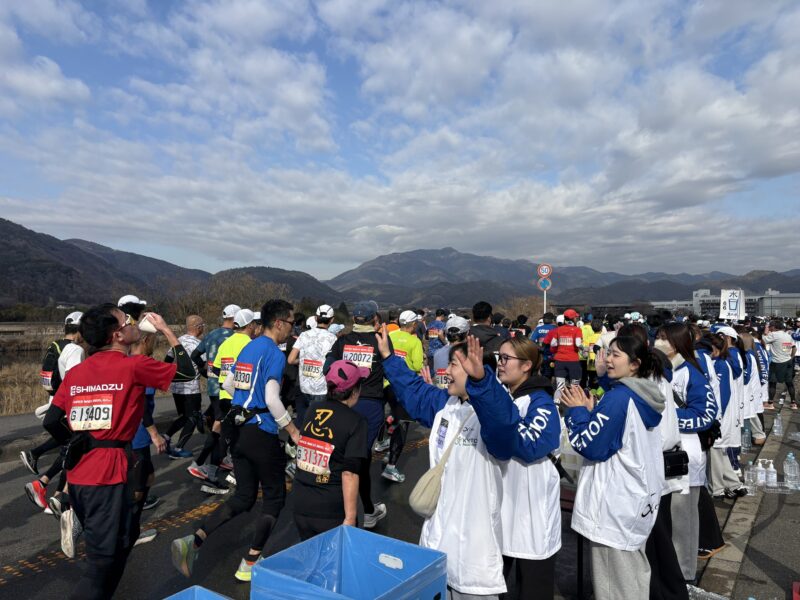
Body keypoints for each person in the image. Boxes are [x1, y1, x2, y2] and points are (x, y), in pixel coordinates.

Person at [42, 304, 195, 600]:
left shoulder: (77, 372)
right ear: (117, 335)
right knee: (101, 564)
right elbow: (187, 372)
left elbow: (51, 420)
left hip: (81, 473)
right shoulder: (133, 366)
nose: (134, 323)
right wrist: (165, 329)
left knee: (125, 538)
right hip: (107, 476)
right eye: (128, 321)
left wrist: (78, 443)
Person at [171, 300, 302, 583]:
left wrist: (243, 404)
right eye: (292, 324)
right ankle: (250, 562)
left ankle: (195, 540)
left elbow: (229, 383)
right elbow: (272, 399)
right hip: (261, 431)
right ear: (279, 323)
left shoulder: (247, 347)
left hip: (238, 431)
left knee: (243, 496)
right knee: (275, 498)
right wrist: (293, 431)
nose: (293, 329)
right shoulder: (274, 353)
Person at [378, 329, 510, 599]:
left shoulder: (495, 413)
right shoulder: (448, 405)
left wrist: (482, 383)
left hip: (473, 561)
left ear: (476, 371)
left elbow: (501, 423)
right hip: (436, 543)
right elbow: (415, 392)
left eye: (453, 365)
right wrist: (389, 358)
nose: (446, 371)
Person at [561, 335, 665, 600]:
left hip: (614, 506)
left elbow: (591, 445)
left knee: (614, 585)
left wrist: (577, 411)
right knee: (631, 578)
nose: (608, 359)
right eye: (609, 353)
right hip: (636, 499)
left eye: (616, 355)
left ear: (634, 364)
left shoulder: (619, 398)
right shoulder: (643, 393)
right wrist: (592, 414)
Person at [467, 336, 562, 600]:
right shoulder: (508, 396)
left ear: (526, 365)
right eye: (500, 357)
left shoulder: (541, 402)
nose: (500, 363)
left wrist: (498, 418)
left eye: (507, 359)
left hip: (532, 509)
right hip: (505, 504)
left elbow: (529, 445)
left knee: (532, 587)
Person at [655, 323, 717, 583]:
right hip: (663, 453)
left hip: (686, 456)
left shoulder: (691, 372)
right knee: (666, 519)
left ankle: (684, 575)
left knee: (683, 521)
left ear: (678, 343)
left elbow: (706, 414)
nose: (658, 342)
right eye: (657, 337)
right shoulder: (660, 369)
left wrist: (669, 417)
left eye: (664, 338)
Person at [327, 300, 392, 529]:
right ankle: (365, 511)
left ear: (354, 319)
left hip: (344, 401)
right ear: (375, 319)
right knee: (359, 461)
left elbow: (327, 368)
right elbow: (392, 368)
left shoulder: (342, 340)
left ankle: (345, 509)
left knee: (339, 454)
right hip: (371, 403)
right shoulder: (381, 340)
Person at [291, 360, 369, 540]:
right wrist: (350, 518)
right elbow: (349, 473)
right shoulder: (356, 422)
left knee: (312, 553)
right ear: (354, 391)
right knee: (336, 556)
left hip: (301, 502)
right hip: (331, 509)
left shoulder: (313, 409)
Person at [187, 309, 260, 489]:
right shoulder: (250, 344)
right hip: (241, 397)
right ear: (250, 325)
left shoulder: (227, 343)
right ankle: (236, 475)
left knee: (224, 436)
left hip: (223, 396)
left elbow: (216, 368)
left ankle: (211, 473)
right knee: (242, 438)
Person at [23, 311, 85, 513]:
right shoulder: (75, 349)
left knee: (69, 447)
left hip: (56, 403)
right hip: (69, 406)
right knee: (74, 448)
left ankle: (54, 495)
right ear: (80, 330)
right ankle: (50, 490)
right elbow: (76, 381)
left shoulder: (56, 345)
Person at [190, 304, 240, 475]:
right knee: (222, 426)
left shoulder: (211, 334)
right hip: (227, 387)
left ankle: (218, 460)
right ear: (235, 319)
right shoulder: (234, 337)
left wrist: (205, 370)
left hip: (212, 386)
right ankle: (205, 464)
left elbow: (194, 355)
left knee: (221, 424)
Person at [382, 310, 425, 483]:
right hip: (404, 387)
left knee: (393, 415)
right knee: (403, 425)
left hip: (386, 384)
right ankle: (391, 466)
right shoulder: (415, 341)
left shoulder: (390, 336)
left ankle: (386, 448)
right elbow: (417, 365)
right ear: (413, 324)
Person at [287, 304, 338, 427]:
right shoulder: (333, 338)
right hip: (321, 389)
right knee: (317, 426)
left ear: (315, 318)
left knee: (301, 422)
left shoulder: (304, 335)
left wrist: (302, 360)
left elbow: (290, 360)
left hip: (303, 386)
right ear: (332, 320)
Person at [163, 316, 204, 459]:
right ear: (198, 327)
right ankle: (178, 449)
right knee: (193, 418)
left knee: (184, 416)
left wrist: (172, 375)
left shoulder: (177, 341)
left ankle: (166, 437)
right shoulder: (198, 344)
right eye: (203, 325)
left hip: (176, 387)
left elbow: (167, 360)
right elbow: (204, 366)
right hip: (191, 387)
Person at [543, 308, 583, 402]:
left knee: (560, 386)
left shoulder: (558, 330)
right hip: (573, 361)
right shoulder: (577, 330)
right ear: (573, 319)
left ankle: (556, 405)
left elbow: (553, 344)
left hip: (559, 361)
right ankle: (574, 405)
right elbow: (578, 344)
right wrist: (584, 348)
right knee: (575, 386)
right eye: (576, 317)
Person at [763, 320, 797, 409]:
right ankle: (793, 403)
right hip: (788, 361)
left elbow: (763, 340)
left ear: (774, 327)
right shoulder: (787, 335)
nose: (769, 328)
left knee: (772, 382)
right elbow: (794, 348)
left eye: (770, 326)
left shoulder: (774, 335)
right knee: (789, 382)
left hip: (776, 362)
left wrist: (765, 332)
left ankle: (770, 403)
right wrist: (791, 357)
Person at [432, 316, 470, 389]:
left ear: (446, 334)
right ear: (467, 333)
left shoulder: (437, 353)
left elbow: (441, 383)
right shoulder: (469, 354)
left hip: (442, 392)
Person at [530, 312, 557, 378]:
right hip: (554, 355)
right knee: (554, 373)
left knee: (544, 373)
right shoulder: (555, 328)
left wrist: (539, 348)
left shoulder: (538, 329)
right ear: (552, 320)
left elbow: (532, 340)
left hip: (542, 355)